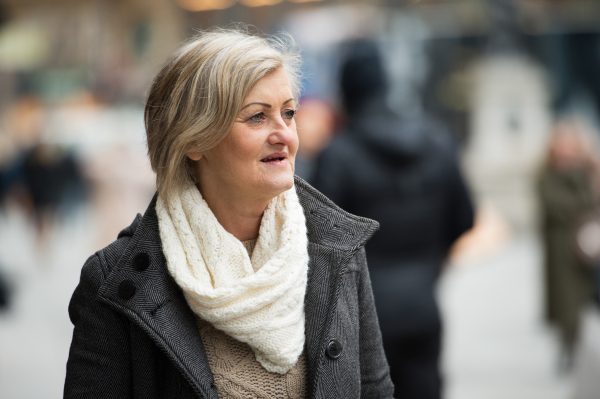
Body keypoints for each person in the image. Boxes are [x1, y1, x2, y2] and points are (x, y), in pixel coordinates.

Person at [64, 28, 394, 399]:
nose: (285, 134)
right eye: (257, 117)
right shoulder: (113, 283)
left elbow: (374, 391)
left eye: (288, 113)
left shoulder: (337, 251)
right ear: (194, 139)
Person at [312, 40, 474, 399]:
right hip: (423, 304)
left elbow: (321, 240)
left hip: (361, 317)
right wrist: (430, 261)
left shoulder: (338, 155)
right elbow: (466, 217)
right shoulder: (437, 140)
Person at [538, 121, 599, 371]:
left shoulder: (587, 171)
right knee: (566, 302)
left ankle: (578, 346)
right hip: (560, 248)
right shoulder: (547, 174)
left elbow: (590, 201)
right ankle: (568, 346)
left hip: (588, 245)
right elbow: (558, 205)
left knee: (585, 298)